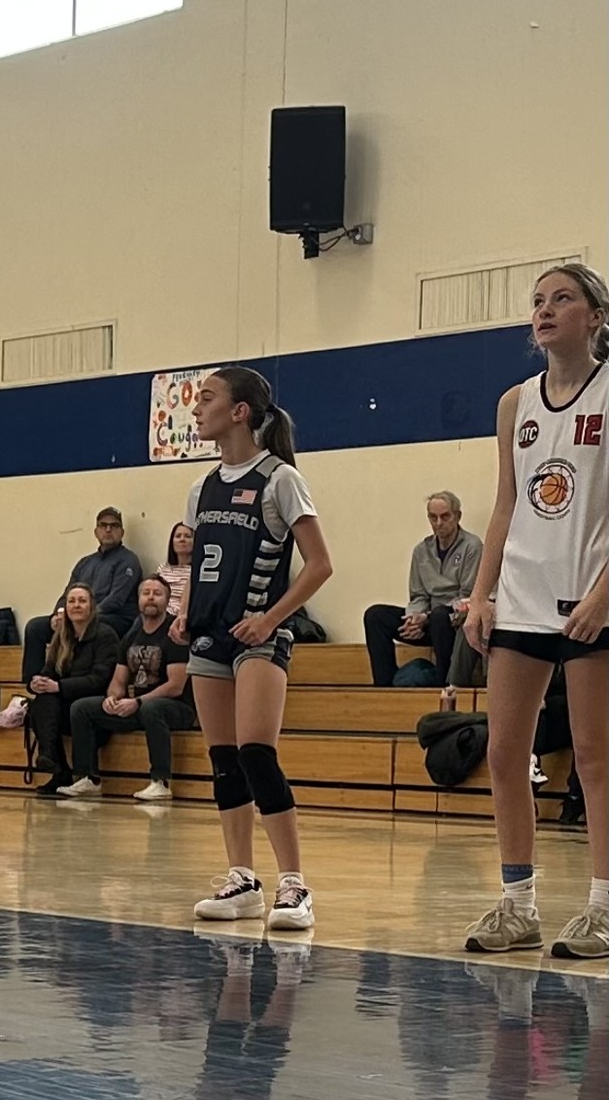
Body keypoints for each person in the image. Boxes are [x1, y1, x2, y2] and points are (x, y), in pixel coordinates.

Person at [461, 263, 608, 961]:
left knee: (594, 757)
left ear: (595, 316)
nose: (545, 310)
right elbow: (505, 504)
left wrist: (604, 596)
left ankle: (603, 908)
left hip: (590, 599)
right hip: (520, 599)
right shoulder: (514, 403)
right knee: (503, 752)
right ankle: (518, 906)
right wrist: (481, 593)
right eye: (539, 301)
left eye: (562, 298)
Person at [174, 366, 334, 933]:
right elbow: (197, 562)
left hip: (260, 634)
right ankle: (242, 879)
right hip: (210, 635)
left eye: (207, 398)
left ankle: (295, 884)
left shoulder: (279, 478)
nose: (197, 409)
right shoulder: (201, 488)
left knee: (256, 754)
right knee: (223, 761)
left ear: (240, 411)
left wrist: (270, 620)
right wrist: (184, 610)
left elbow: (320, 565)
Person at [60, 575, 196, 802]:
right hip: (139, 707)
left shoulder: (174, 634)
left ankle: (160, 782)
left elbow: (175, 685)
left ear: (167, 600)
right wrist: (112, 699)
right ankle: (87, 778)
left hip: (176, 708)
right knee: (82, 708)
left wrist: (138, 702)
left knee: (152, 709)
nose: (150, 598)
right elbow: (119, 681)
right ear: (138, 599)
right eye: (146, 593)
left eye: (157, 594)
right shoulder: (131, 635)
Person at [362, 492, 482, 688]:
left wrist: (427, 617)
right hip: (427, 619)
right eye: (433, 517)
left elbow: (467, 596)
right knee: (375, 615)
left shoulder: (472, 546)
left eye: (445, 516)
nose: (438, 523)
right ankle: (384, 687)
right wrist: (414, 618)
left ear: (457, 516)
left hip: (453, 620)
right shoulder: (421, 550)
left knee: (440, 616)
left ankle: (443, 685)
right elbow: (418, 595)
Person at [23, 583, 121, 796]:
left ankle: (59, 762)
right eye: (72, 601)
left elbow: (99, 680)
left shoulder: (105, 635)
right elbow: (49, 671)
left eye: (82, 601)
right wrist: (37, 683)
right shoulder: (62, 636)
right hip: (66, 706)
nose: (76, 605)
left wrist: (58, 686)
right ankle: (56, 767)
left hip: (96, 706)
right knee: (41, 701)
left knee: (71, 705)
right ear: (65, 607)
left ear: (91, 606)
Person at [19, 508, 142, 678]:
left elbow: (116, 600)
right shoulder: (85, 562)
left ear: (122, 532)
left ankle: (76, 681)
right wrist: (59, 615)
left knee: (89, 626)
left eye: (114, 526)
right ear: (96, 532)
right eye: (103, 525)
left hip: (114, 618)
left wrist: (81, 617)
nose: (108, 530)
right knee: (35, 627)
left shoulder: (128, 560)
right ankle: (33, 684)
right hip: (78, 617)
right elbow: (67, 595)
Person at [158, 522, 195, 618]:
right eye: (178, 536)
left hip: (182, 617)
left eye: (187, 536)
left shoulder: (197, 571)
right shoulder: (163, 568)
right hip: (160, 614)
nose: (182, 539)